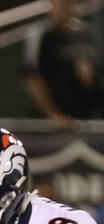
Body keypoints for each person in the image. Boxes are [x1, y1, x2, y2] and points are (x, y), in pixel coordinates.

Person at [22, 0, 104, 131]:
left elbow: (95, 77)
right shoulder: (41, 33)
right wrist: (53, 115)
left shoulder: (85, 33)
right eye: (59, 2)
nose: (63, 6)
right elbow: (32, 78)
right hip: (48, 127)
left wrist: (89, 76)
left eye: (67, 2)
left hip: (84, 123)